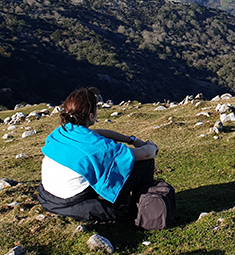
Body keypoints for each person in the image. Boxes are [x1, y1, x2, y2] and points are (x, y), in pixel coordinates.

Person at [38, 87, 159, 222]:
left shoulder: (61, 132)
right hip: (72, 201)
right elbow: (146, 154)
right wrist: (151, 147)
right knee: (144, 163)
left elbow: (96, 133)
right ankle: (142, 213)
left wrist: (130, 139)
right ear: (91, 115)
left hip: (48, 198)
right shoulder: (101, 149)